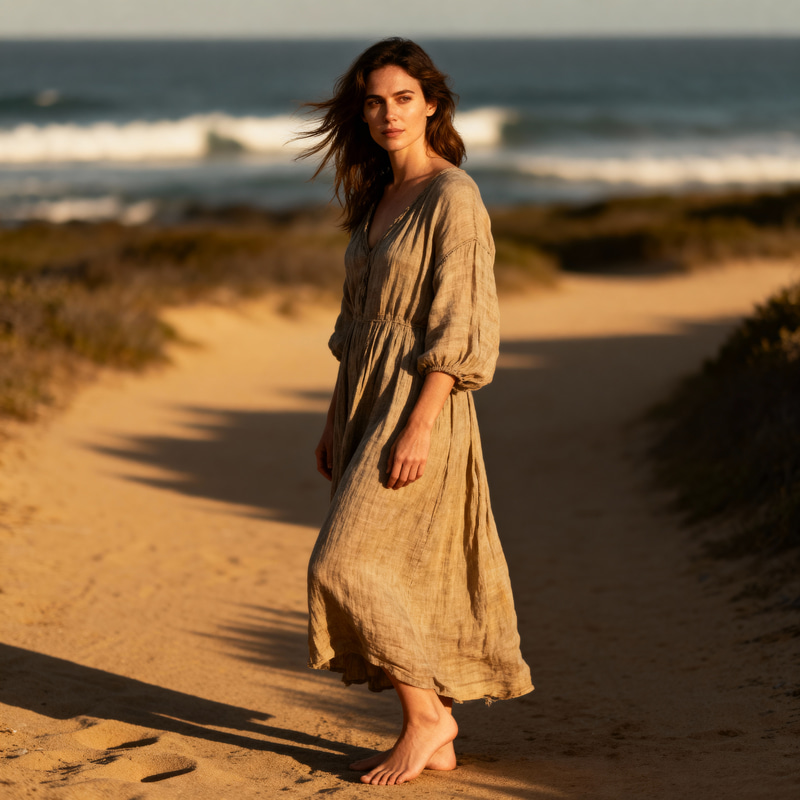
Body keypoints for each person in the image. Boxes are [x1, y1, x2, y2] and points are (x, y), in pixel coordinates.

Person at [300, 38, 533, 787]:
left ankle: (431, 714)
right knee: (385, 564)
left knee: (343, 561)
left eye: (403, 98)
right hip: (366, 401)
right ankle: (429, 736)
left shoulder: (451, 196)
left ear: (432, 102)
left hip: (417, 403)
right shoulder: (376, 199)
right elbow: (356, 327)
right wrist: (336, 419)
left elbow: (461, 325)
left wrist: (421, 423)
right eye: (374, 100)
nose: (388, 113)